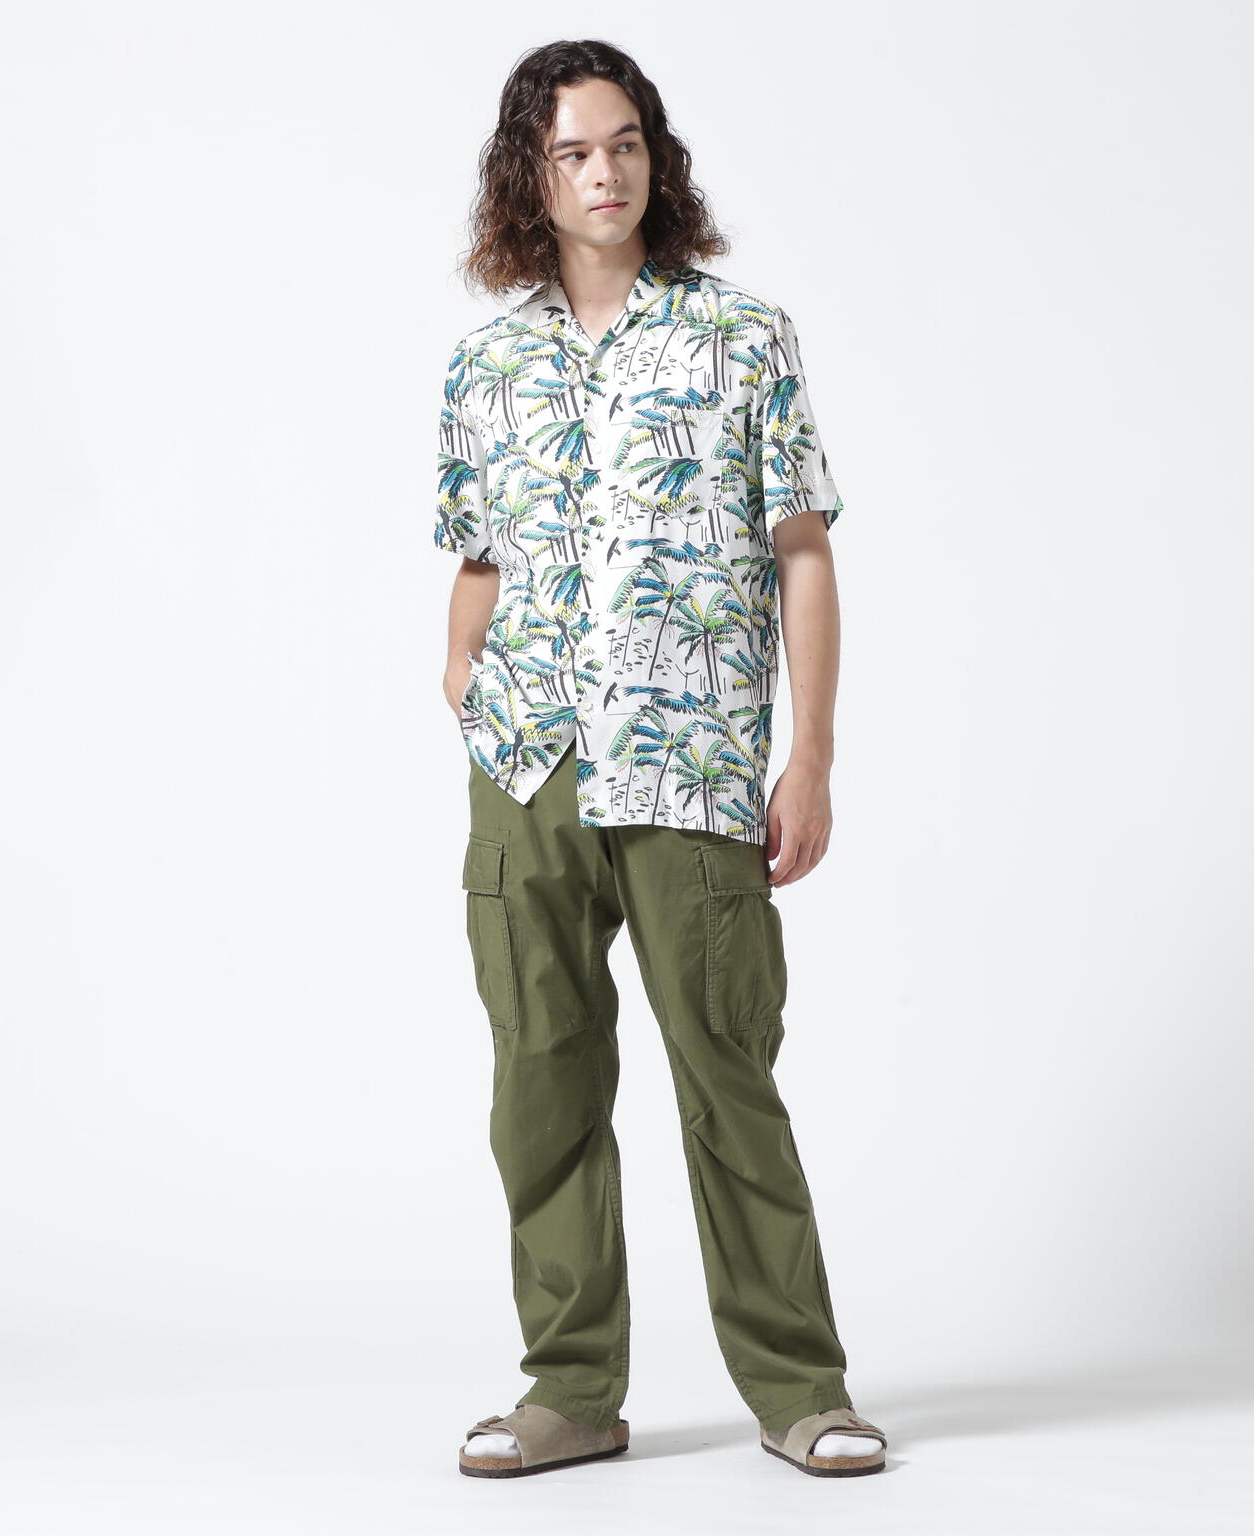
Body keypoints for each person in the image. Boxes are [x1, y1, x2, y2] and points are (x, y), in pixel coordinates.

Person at [435, 38, 887, 1480]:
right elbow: (478, 556)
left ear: (657, 157)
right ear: (531, 177)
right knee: (542, 1077)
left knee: (727, 1072)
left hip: (689, 761)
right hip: (528, 767)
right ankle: (570, 1389)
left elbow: (802, 552)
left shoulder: (742, 337)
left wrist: (809, 758)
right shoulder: (487, 363)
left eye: (625, 144)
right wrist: (462, 679)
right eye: (573, 153)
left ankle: (800, 1387)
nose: (605, 173)